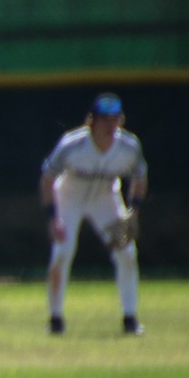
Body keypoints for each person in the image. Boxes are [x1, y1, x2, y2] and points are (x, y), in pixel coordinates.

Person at [40, 92, 148, 336]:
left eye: (114, 119)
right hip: (70, 196)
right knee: (62, 252)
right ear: (92, 121)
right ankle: (55, 319)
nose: (110, 125)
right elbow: (47, 178)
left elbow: (140, 177)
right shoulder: (72, 144)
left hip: (105, 197)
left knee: (127, 252)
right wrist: (53, 217)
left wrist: (134, 211)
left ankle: (130, 318)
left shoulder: (128, 146)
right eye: (104, 119)